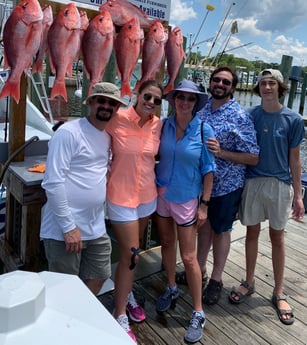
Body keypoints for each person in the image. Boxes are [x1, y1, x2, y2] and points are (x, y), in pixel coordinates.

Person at [228, 69, 305, 325]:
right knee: (251, 233)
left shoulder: (293, 119)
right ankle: (248, 281)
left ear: (280, 87)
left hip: (280, 185)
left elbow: (295, 159)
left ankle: (278, 291)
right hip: (253, 181)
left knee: (278, 237)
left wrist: (298, 195)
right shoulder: (249, 115)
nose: (267, 87)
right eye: (263, 83)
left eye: (272, 83)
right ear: (258, 88)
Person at [40, 82, 127, 295]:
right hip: (64, 229)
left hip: (95, 226)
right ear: (90, 103)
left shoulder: (107, 136)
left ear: (117, 109)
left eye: (112, 103)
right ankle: (66, 322)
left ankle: (80, 311)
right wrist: (68, 228)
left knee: (100, 274)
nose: (106, 106)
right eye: (101, 101)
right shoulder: (68, 133)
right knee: (63, 288)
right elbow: (53, 181)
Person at [155, 79, 216, 344]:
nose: (185, 102)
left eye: (190, 98)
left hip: (187, 199)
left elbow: (209, 170)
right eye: (180, 97)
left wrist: (204, 204)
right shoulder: (163, 126)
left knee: (189, 258)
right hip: (161, 194)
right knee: (167, 244)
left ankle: (198, 311)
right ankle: (171, 287)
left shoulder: (203, 128)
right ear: (173, 100)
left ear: (196, 103)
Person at [192, 66, 260, 306]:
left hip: (227, 184)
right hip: (201, 184)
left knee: (221, 231)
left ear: (232, 88)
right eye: (216, 80)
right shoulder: (201, 109)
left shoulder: (240, 116)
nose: (220, 84)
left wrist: (222, 153)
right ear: (210, 83)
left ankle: (216, 279)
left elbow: (253, 156)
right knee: (203, 227)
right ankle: (198, 270)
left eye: (226, 82)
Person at [105, 80, 163, 343]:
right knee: (131, 256)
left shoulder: (157, 125)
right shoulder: (117, 119)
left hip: (147, 196)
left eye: (157, 100)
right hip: (120, 196)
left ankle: (126, 293)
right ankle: (118, 313)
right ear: (137, 95)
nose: (150, 102)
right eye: (147, 96)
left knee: (135, 252)